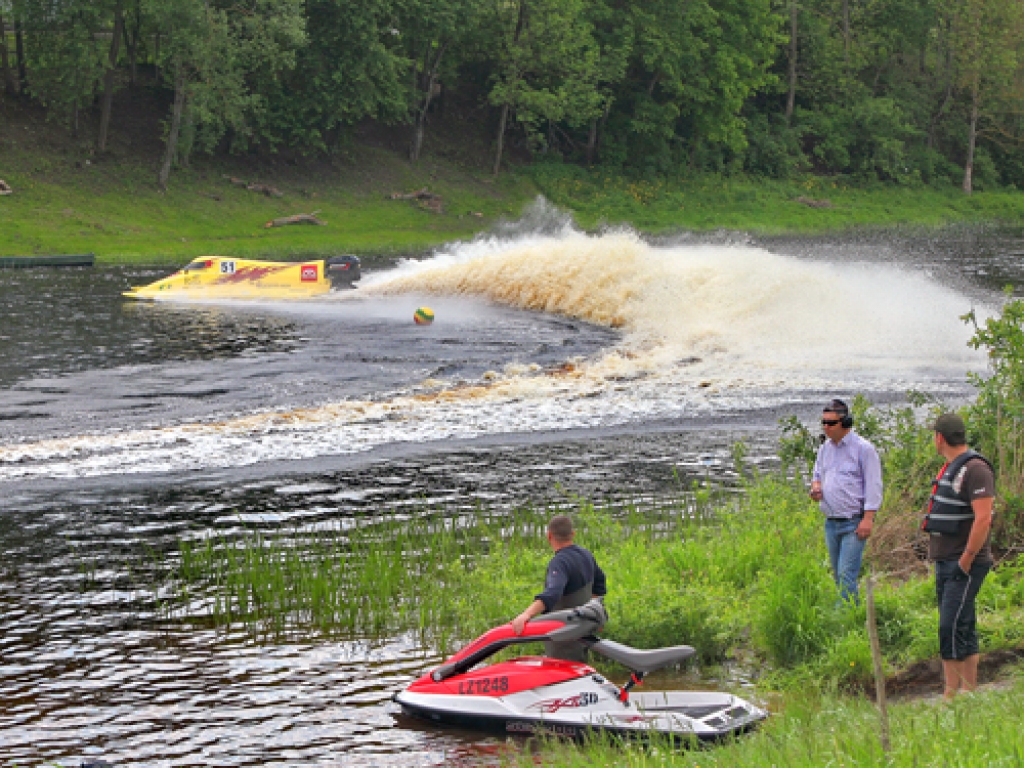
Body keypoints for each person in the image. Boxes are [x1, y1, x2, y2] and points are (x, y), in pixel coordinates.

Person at [924, 413, 995, 700]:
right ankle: (969, 692)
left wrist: (966, 558)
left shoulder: (976, 469)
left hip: (964, 561)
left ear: (940, 437)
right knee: (962, 622)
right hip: (946, 558)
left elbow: (983, 519)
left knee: (950, 625)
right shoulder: (950, 468)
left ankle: (950, 695)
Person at [809, 398, 882, 603]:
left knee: (845, 575)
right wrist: (816, 488)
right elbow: (817, 476)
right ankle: (851, 616)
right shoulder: (825, 449)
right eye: (823, 422)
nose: (826, 427)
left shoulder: (864, 450)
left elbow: (874, 486)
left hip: (853, 522)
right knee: (837, 575)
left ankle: (847, 621)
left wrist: (868, 519)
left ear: (845, 423)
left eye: (831, 423)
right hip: (831, 522)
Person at [511, 514, 607, 661]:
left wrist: (526, 615)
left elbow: (552, 593)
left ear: (549, 536)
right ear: (573, 534)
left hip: (563, 636)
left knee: (565, 676)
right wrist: (593, 612)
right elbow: (600, 584)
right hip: (583, 630)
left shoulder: (559, 563)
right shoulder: (586, 555)